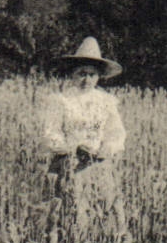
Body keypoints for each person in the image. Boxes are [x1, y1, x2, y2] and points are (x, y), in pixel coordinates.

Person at [40, 37, 126, 231]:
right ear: (73, 73)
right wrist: (73, 149)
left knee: (102, 214)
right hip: (69, 166)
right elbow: (50, 134)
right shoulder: (61, 100)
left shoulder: (106, 101)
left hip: (98, 166)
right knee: (69, 216)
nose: (87, 80)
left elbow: (116, 133)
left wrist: (106, 149)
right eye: (82, 74)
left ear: (98, 76)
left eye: (92, 74)